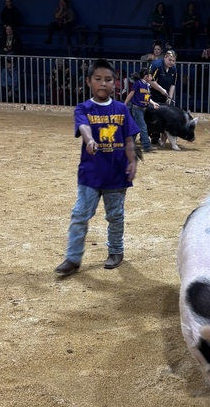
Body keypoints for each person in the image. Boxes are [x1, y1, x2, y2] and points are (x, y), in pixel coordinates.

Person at [55, 59, 139, 277]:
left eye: (108, 80)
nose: (103, 84)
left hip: (116, 174)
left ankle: (116, 251)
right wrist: (90, 140)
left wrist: (132, 161)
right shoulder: (83, 108)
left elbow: (129, 139)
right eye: (98, 79)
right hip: (90, 175)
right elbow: (83, 126)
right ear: (89, 81)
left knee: (115, 216)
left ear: (115, 83)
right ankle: (73, 258)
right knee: (80, 214)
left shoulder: (121, 109)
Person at [124, 68, 156, 152]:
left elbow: (147, 98)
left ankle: (129, 144)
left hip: (142, 108)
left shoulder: (148, 86)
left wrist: (153, 103)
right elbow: (131, 94)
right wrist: (125, 104)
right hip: (137, 108)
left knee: (136, 127)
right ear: (146, 76)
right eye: (150, 75)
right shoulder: (138, 83)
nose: (152, 77)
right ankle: (146, 146)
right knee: (143, 127)